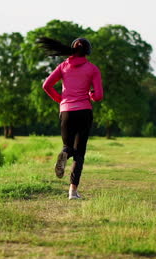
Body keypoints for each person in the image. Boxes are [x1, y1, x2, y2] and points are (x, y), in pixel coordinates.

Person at [38, 37, 103, 200]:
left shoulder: (63, 66)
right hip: (84, 111)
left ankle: (65, 153)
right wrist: (91, 95)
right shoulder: (93, 69)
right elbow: (99, 95)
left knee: (68, 146)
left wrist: (61, 100)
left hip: (66, 111)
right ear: (88, 51)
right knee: (79, 153)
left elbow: (46, 85)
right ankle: (72, 192)